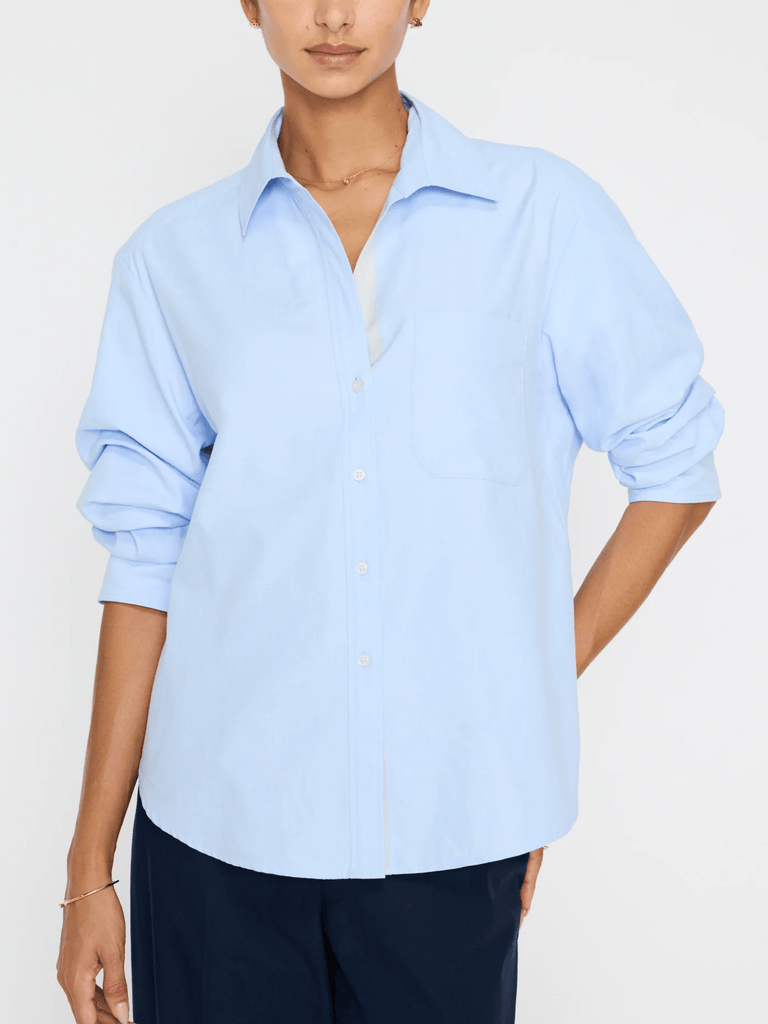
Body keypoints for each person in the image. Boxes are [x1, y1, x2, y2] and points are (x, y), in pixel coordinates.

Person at [57, 2, 725, 1022]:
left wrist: (535, 678)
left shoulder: (539, 217)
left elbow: (675, 462)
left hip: (448, 835)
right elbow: (145, 559)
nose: (333, 14)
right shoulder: (173, 260)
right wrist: (88, 868)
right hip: (215, 839)